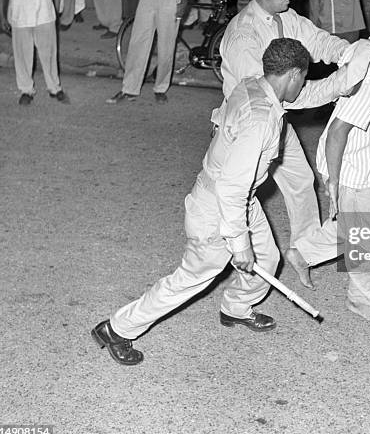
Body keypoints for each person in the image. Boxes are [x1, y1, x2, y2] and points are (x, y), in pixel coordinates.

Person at [92, 38, 311, 365]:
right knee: (190, 279)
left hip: (238, 198)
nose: (303, 85)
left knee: (267, 257)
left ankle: (236, 308)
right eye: (303, 79)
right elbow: (232, 187)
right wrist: (239, 244)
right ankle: (117, 328)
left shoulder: (252, 85)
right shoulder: (261, 119)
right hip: (219, 205)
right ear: (293, 74)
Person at [219, 0, 370, 285]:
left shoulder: (286, 18)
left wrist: (349, 53)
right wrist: (338, 84)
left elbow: (318, 41)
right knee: (239, 195)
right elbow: (279, 94)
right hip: (246, 128)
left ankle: (304, 253)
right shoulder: (244, 36)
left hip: (275, 121)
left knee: (301, 183)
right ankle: (231, 255)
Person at [287, 0, 370, 322]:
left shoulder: (368, 50)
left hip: (360, 162)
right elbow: (338, 132)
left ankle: (302, 253)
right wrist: (333, 182)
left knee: (355, 226)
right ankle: (364, 301)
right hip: (355, 171)